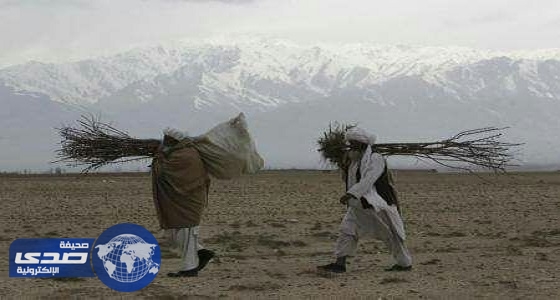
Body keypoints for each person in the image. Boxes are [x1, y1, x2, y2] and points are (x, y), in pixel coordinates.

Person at [317, 127, 413, 274]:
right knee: (347, 230)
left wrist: (351, 194)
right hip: (357, 206)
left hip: (375, 204)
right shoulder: (354, 161)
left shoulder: (376, 158)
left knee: (390, 234)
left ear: (362, 144)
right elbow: (350, 177)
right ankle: (340, 263)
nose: (350, 146)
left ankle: (404, 263)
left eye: (353, 143)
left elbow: (369, 179)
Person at [151, 128, 215, 277]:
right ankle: (202, 253)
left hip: (188, 203)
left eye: (167, 139)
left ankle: (189, 269)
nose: (164, 141)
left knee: (186, 234)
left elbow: (165, 171)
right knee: (175, 235)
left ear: (174, 141)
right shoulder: (175, 153)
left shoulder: (184, 155)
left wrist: (158, 156)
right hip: (181, 202)